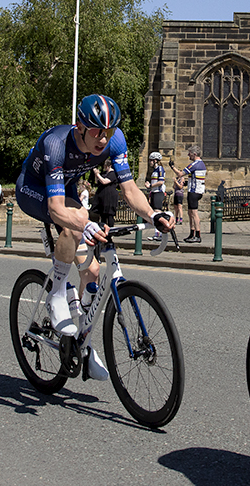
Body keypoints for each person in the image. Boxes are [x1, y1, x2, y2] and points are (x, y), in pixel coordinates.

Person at [15, 94, 174, 380]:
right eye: (97, 132)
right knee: (76, 225)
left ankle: (82, 346)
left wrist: (154, 215)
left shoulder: (115, 140)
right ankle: (57, 293)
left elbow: (130, 190)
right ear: (80, 127)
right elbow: (56, 208)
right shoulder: (56, 143)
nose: (103, 139)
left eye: (108, 131)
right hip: (34, 189)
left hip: (68, 188)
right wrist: (85, 224)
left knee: (92, 271)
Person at [179, 147, 207, 243]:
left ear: (194, 154)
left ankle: (198, 235)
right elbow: (196, 178)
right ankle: (192, 233)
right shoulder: (202, 164)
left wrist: (172, 167)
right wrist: (187, 183)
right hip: (197, 190)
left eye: (189, 153)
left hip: (194, 192)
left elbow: (180, 174)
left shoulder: (195, 164)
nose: (188, 155)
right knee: (190, 213)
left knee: (194, 213)